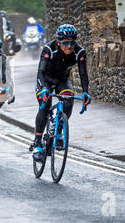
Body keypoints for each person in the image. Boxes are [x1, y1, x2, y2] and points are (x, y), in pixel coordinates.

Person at [31, 24, 91, 162]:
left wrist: (86, 92)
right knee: (45, 104)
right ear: (58, 42)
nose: (69, 46)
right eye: (65, 43)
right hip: (45, 79)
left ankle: (57, 133)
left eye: (72, 42)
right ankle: (38, 142)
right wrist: (44, 89)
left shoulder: (79, 52)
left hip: (62, 80)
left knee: (68, 101)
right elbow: (41, 71)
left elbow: (83, 74)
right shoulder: (49, 49)